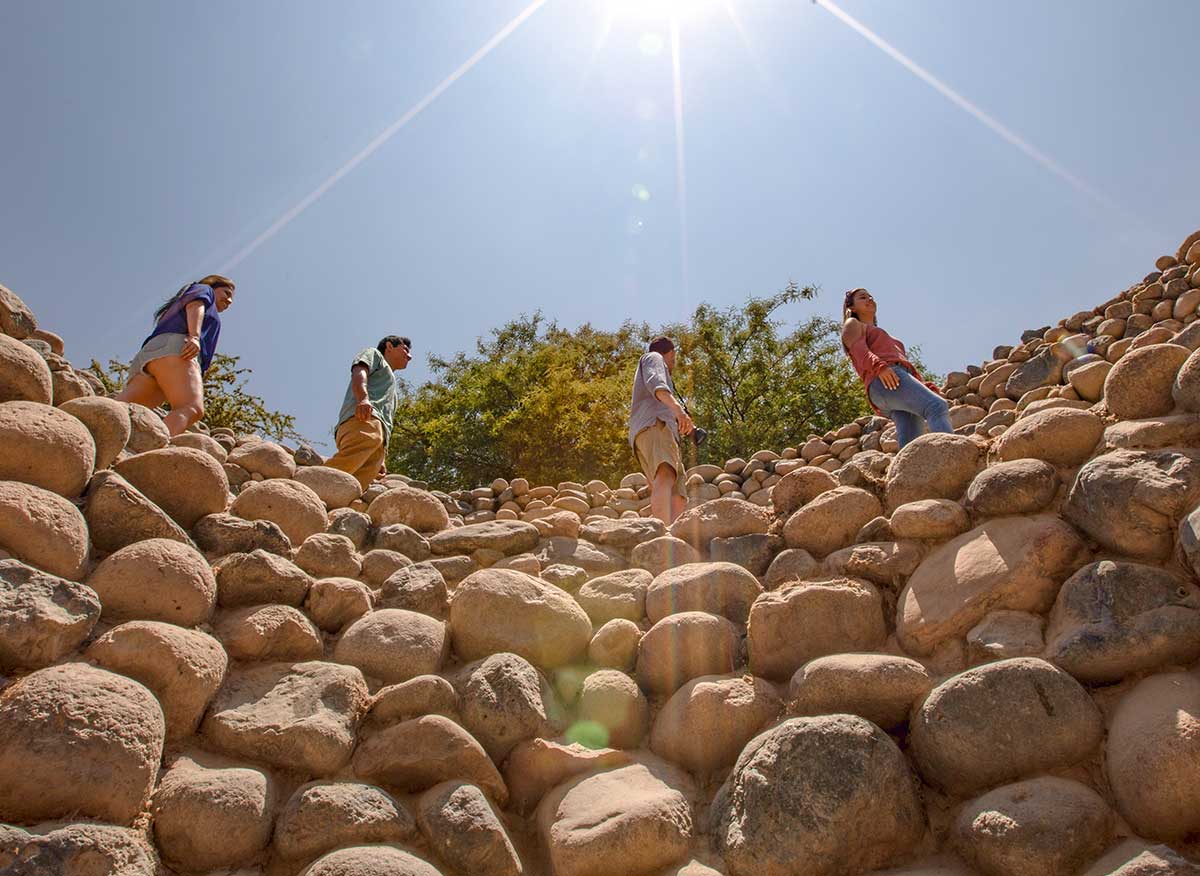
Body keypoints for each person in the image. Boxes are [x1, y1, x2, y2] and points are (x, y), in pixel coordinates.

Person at [116, 275, 235, 436]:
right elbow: (195, 304)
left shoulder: (179, 303)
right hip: (178, 349)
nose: (229, 301)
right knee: (191, 407)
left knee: (122, 409)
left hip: (153, 355)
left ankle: (83, 423)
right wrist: (194, 336)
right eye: (226, 293)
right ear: (213, 287)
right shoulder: (204, 290)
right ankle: (151, 453)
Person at [841, 287, 951, 448]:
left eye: (870, 296)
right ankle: (951, 452)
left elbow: (904, 365)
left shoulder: (884, 334)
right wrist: (880, 367)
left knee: (911, 437)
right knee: (936, 407)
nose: (869, 299)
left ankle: (908, 471)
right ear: (851, 307)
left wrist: (922, 385)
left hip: (892, 380)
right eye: (862, 297)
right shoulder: (853, 323)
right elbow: (859, 350)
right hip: (885, 379)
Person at [324, 335, 412, 492]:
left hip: (378, 440)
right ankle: (308, 484)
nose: (409, 356)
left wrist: (381, 455)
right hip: (363, 418)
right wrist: (363, 399)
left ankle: (328, 505)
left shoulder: (392, 389)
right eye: (405, 349)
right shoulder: (375, 355)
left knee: (355, 484)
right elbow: (359, 371)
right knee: (343, 467)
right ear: (389, 346)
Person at [629, 336, 694, 524]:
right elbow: (656, 383)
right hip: (656, 425)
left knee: (677, 491)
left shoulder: (654, 364)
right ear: (671, 353)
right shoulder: (654, 358)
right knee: (665, 475)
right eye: (673, 359)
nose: (674, 363)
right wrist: (678, 410)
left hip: (660, 430)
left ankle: (672, 540)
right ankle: (663, 534)